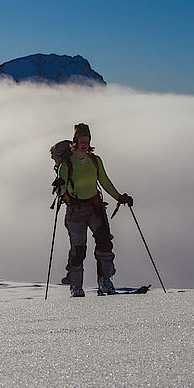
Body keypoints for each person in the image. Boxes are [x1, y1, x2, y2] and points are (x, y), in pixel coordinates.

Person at [56, 123, 133, 297]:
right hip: (76, 210)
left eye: (87, 140)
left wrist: (119, 197)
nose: (85, 144)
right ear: (75, 141)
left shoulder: (94, 161)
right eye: (82, 140)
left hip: (94, 207)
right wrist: (60, 187)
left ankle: (104, 281)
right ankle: (77, 285)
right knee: (79, 249)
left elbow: (105, 182)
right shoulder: (66, 164)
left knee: (104, 242)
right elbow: (61, 189)